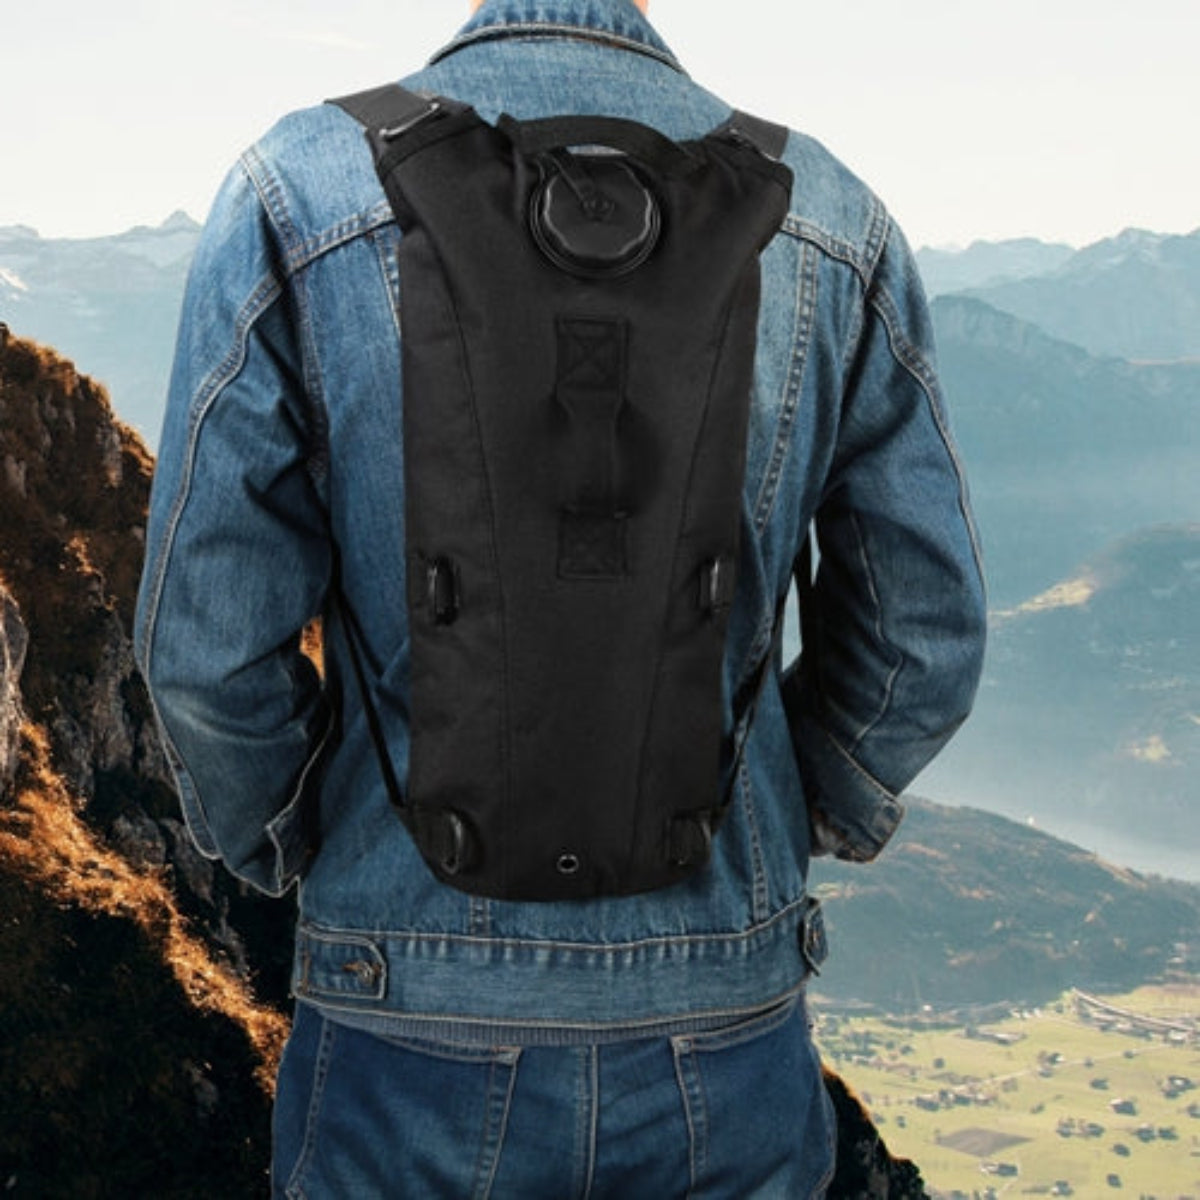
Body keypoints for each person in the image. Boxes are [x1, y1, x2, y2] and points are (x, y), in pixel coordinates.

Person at [135, 0, 986, 1195]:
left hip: (404, 1016)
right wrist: (789, 813)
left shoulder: (298, 188)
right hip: (724, 1017)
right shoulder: (831, 213)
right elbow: (926, 635)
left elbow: (206, 646)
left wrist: (305, 841)